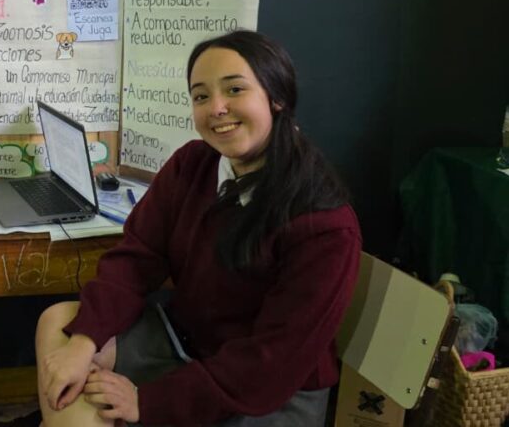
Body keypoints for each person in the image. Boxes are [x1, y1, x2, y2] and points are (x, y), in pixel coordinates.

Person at [35, 30, 362, 426]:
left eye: (235, 89)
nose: (217, 108)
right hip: (186, 345)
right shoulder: (193, 163)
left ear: (277, 97)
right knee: (61, 325)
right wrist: (84, 343)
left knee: (85, 399)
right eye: (201, 96)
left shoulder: (324, 226)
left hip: (268, 393)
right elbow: (137, 259)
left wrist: (146, 402)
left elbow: (273, 362)